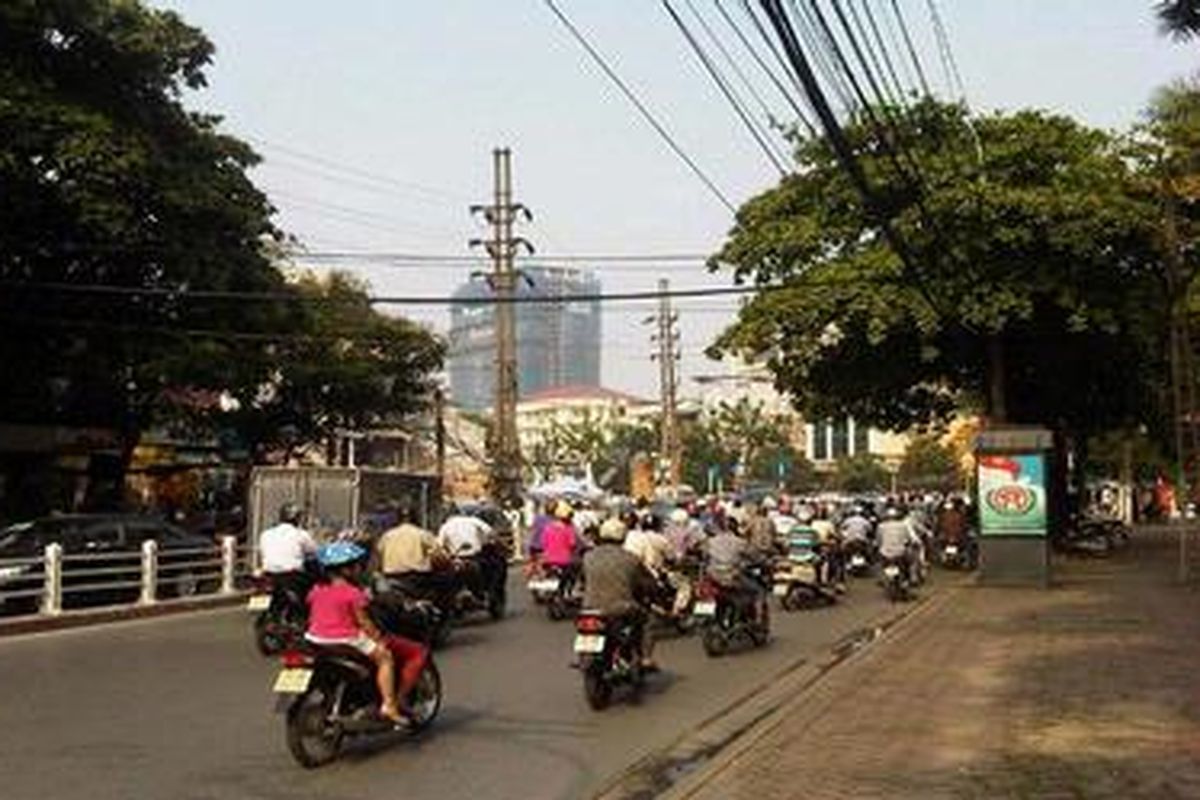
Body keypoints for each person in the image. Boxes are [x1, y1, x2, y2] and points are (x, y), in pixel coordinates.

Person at [305, 541, 427, 723]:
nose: (359, 569)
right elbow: (364, 622)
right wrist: (378, 639)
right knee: (385, 658)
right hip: (345, 639)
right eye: (356, 566)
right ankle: (389, 705)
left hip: (315, 638)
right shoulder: (353, 593)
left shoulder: (316, 590)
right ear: (346, 570)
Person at [582, 517, 659, 669]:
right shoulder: (630, 559)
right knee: (648, 620)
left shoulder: (588, 556)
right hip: (621, 608)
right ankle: (645, 657)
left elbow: (583, 579)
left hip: (589, 607)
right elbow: (647, 582)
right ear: (623, 536)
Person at [377, 506, 447, 597]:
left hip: (390, 578)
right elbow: (439, 556)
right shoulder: (423, 534)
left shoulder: (387, 536)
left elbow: (378, 556)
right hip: (418, 580)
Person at [258, 502, 317, 603]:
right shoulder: (301, 534)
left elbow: (263, 552)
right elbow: (313, 551)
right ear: (297, 518)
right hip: (292, 576)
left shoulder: (265, 534)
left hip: (268, 574)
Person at [876, 505, 922, 585]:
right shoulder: (903, 525)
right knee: (913, 560)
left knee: (879, 562)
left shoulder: (881, 526)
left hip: (885, 553)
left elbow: (879, 539)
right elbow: (908, 538)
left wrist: (880, 546)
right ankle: (912, 577)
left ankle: (882, 578)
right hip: (900, 552)